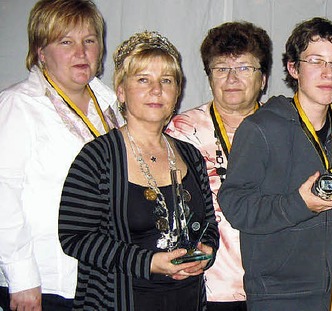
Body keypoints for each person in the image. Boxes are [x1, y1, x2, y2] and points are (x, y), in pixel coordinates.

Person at [57, 31, 219, 310]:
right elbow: (75, 238)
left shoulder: (190, 155)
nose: (156, 90)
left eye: (166, 81)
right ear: (121, 90)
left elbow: (208, 227)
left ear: (177, 91)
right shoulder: (97, 157)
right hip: (119, 300)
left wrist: (206, 251)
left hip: (186, 300)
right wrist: (149, 262)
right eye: (143, 79)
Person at [217, 17, 332, 310]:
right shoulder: (260, 129)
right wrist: (299, 204)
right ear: (294, 68)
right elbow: (234, 204)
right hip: (277, 293)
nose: (328, 72)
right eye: (316, 60)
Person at [0, 0, 123, 310]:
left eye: (89, 41)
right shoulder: (17, 106)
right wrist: (22, 277)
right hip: (46, 282)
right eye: (66, 41)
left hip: (104, 277)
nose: (81, 53)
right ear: (41, 51)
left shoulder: (114, 104)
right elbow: (3, 198)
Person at [166, 21, 272, 311]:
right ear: (210, 77)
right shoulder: (181, 131)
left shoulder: (284, 127)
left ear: (263, 79)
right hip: (208, 283)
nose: (232, 78)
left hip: (275, 283)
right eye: (221, 68)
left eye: (244, 68)